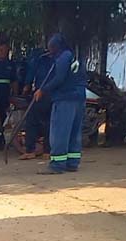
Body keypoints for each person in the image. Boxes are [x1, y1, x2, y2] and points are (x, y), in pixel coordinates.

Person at [34, 33, 87, 174]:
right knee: (74, 132)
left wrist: (43, 90)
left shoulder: (62, 58)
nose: (50, 51)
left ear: (56, 47)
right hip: (79, 98)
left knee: (60, 132)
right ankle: (72, 162)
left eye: (51, 48)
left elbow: (59, 79)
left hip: (65, 98)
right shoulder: (75, 57)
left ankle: (57, 164)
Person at [19, 47, 54, 160]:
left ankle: (30, 150)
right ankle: (47, 151)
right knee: (49, 123)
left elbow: (30, 77)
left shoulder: (38, 59)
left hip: (40, 94)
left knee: (32, 121)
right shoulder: (58, 59)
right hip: (53, 94)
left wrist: (25, 89)